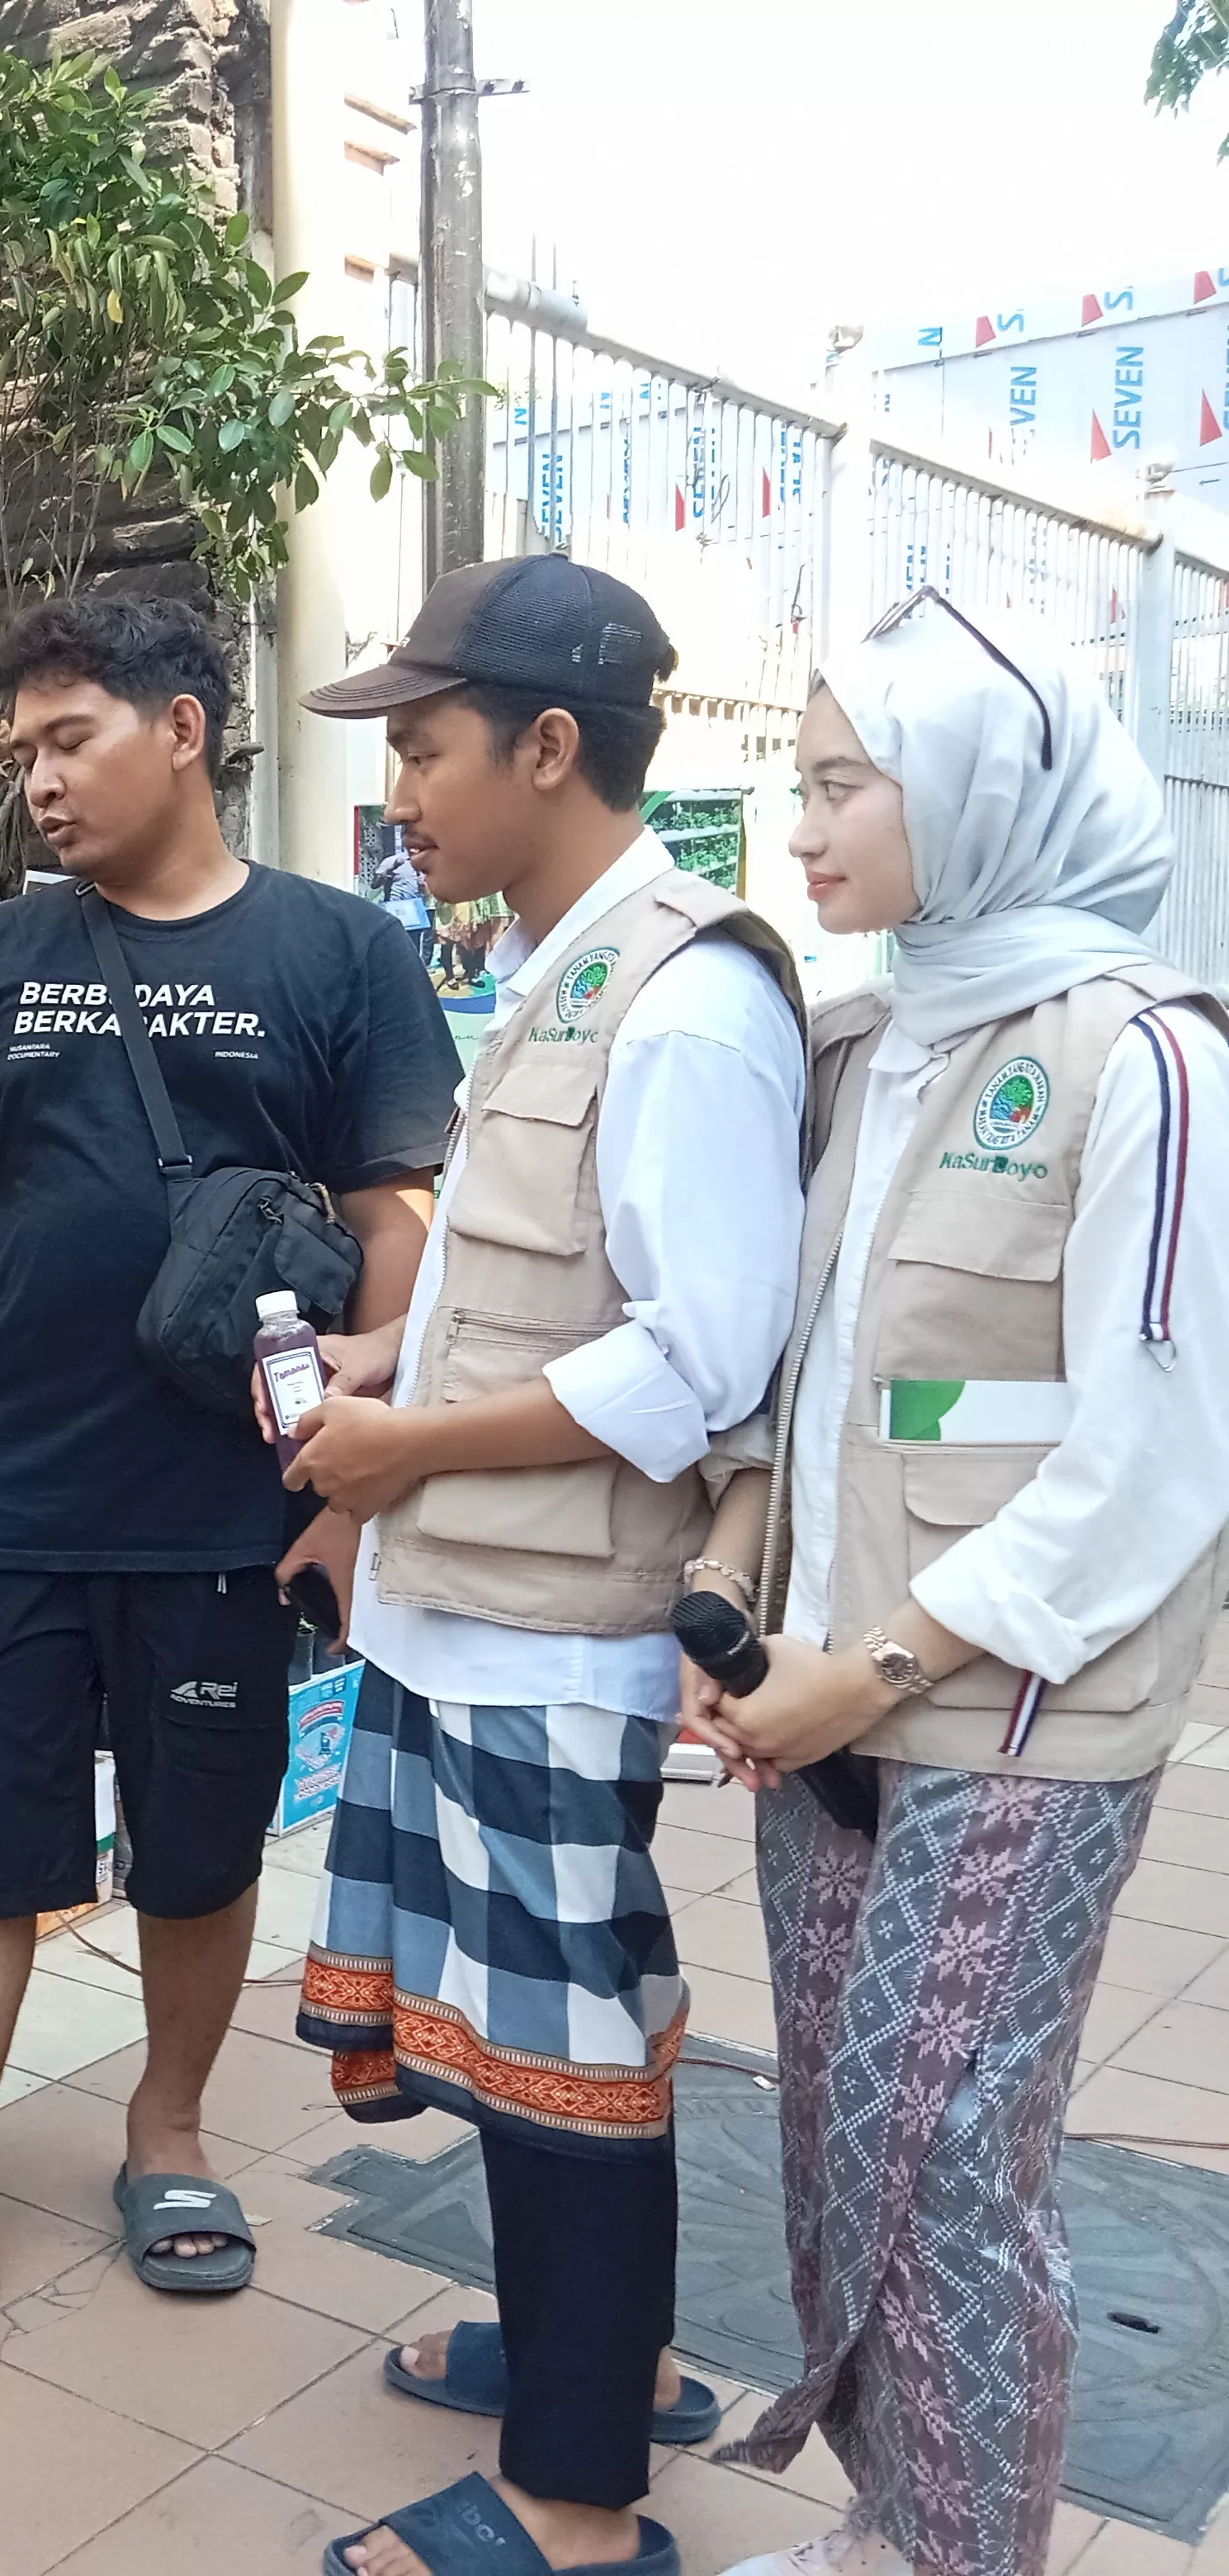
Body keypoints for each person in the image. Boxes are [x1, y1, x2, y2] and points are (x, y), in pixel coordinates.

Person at [0, 594, 455, 2397]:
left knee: (197, 1846)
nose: (35, 781)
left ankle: (163, 2134)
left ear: (184, 729)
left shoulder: (339, 956)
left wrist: (355, 1478)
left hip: (227, 1507)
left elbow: (393, 1215)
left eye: (68, 740)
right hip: (7, 1495)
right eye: (22, 749)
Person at [678, 599, 1229, 2576]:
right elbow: (811, 1382)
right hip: (827, 1702)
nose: (802, 823)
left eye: (840, 783)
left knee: (949, 2173)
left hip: (1008, 1719)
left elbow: (1155, 1449)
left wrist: (877, 1661)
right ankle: (891, 2531)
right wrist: (744, 1607)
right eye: (802, 779)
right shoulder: (864, 1046)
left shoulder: (1141, 1062)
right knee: (837, 2133)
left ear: (978, 795)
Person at [288, 556, 806, 2576]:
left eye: (421, 748)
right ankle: (594, 2353)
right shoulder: (554, 961)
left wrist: (404, 1440)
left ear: (549, 744)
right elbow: (537, 1290)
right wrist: (385, 1366)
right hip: (465, 1604)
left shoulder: (684, 998)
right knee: (513, 2027)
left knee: (570, 2038)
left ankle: (577, 2497)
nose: (400, 788)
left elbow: (697, 1352)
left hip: (553, 1627)